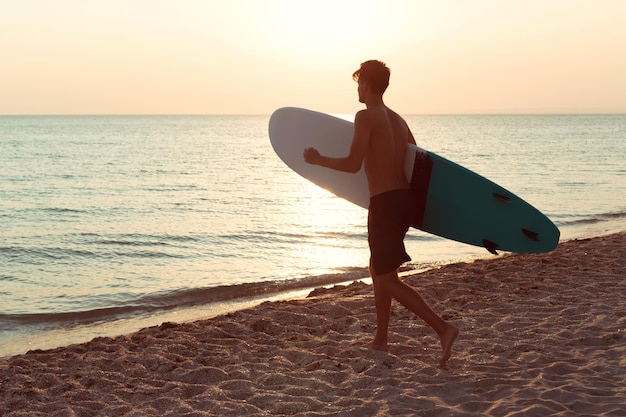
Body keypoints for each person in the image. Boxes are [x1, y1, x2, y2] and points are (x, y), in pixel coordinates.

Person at [303, 60, 458, 365]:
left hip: (385, 203)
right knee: (379, 269)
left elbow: (352, 164)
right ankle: (381, 339)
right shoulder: (399, 120)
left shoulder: (365, 117)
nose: (357, 89)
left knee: (386, 278)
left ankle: (443, 329)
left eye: (359, 83)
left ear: (368, 85)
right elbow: (416, 161)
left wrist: (318, 160)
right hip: (404, 201)